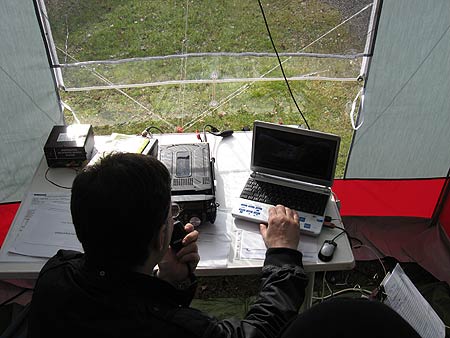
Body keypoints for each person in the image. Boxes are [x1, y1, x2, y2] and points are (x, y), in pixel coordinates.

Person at [28, 152, 420, 338]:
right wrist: (283, 254)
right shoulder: (181, 330)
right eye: (171, 212)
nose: (174, 217)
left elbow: (122, 303)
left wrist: (169, 284)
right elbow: (259, 333)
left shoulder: (55, 275)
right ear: (159, 237)